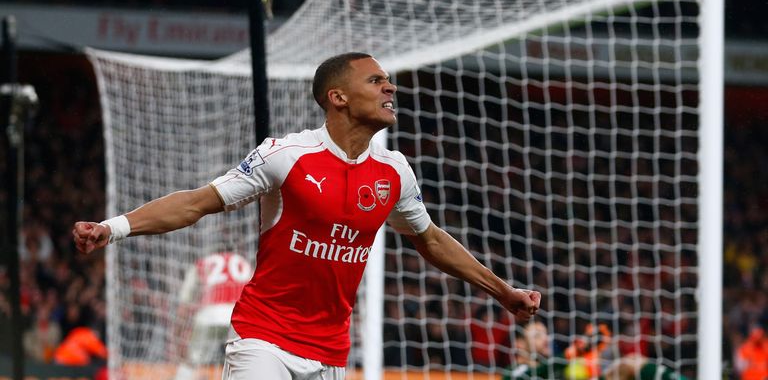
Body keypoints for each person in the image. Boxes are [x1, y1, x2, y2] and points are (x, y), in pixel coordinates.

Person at [73, 52, 541, 380]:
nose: (390, 87)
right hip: (264, 338)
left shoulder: (395, 171)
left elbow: (431, 240)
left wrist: (504, 293)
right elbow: (197, 202)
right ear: (338, 97)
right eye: (375, 81)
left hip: (330, 349)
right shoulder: (286, 155)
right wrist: (112, 228)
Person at [504, 321, 689, 380]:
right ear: (519, 344)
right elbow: (531, 375)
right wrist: (574, 352)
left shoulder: (554, 368)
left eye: (545, 334)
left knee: (630, 363)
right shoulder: (512, 373)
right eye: (537, 335)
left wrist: (587, 350)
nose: (545, 339)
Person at [174, 251, 252, 380]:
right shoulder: (244, 263)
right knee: (243, 362)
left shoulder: (202, 263)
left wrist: (177, 333)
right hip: (237, 316)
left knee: (190, 362)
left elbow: (184, 306)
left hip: (209, 316)